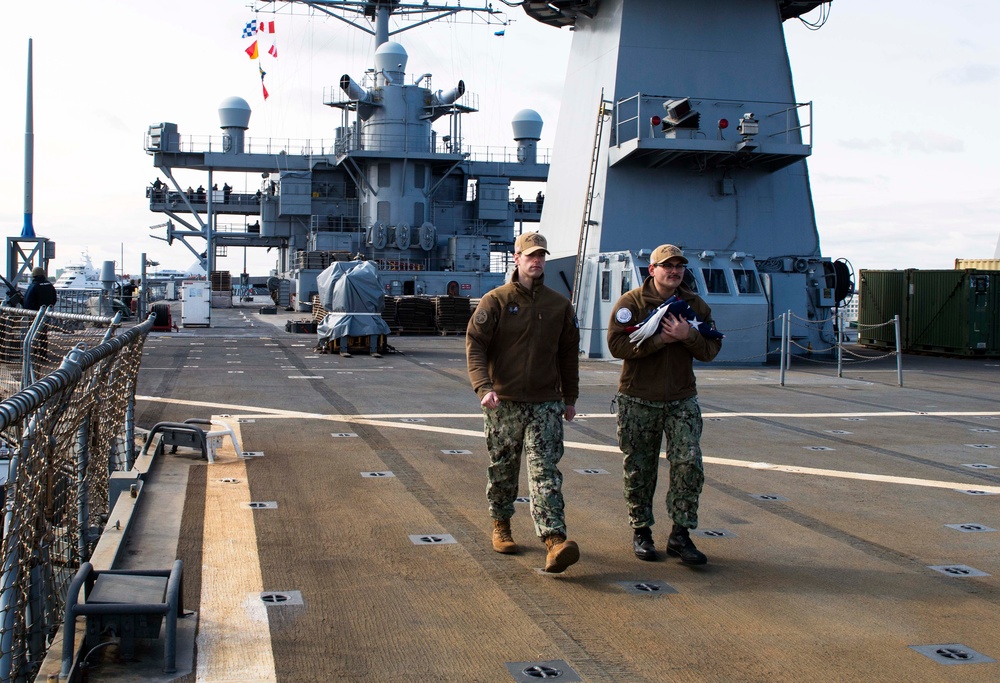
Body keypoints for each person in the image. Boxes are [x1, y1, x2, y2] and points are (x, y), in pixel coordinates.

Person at [466, 232, 581, 573]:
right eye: (530, 255)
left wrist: (569, 397)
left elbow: (568, 354)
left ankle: (554, 541)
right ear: (516, 258)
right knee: (503, 468)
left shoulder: (559, 305)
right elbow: (475, 344)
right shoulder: (496, 301)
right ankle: (501, 523)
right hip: (504, 402)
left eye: (541, 255)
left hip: (546, 402)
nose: (536, 261)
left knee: (545, 472)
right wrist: (482, 387)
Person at [607, 244, 722, 565]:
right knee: (639, 469)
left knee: (689, 464)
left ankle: (680, 534)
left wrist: (687, 335)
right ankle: (641, 531)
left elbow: (711, 349)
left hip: (681, 399)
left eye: (679, 267)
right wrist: (662, 340)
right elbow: (617, 346)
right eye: (667, 266)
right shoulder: (632, 304)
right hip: (638, 399)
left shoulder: (694, 305)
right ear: (652, 270)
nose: (674, 271)